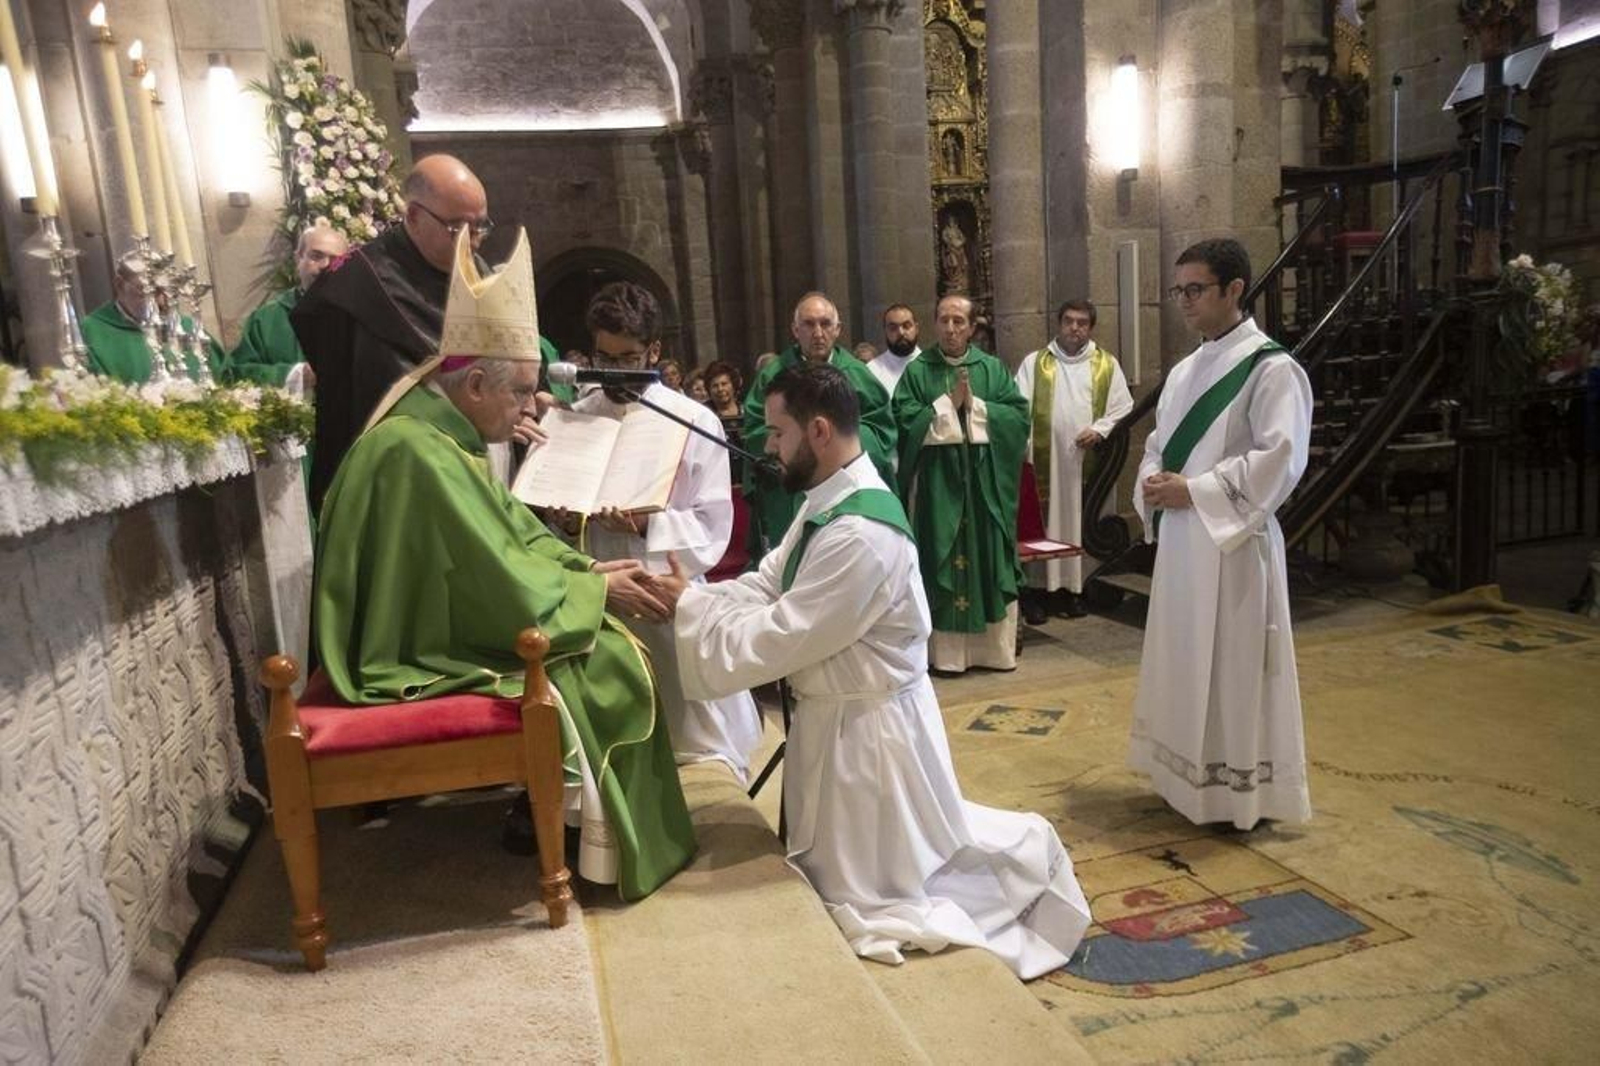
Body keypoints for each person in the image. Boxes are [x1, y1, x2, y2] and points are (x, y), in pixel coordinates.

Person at [650, 363, 1091, 979]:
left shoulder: (860, 531)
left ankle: (1023, 870)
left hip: (870, 736)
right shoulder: (826, 502)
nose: (770, 447)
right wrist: (697, 598)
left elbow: (785, 634)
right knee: (842, 877)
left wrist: (687, 608)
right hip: (840, 718)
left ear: (820, 431)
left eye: (778, 433)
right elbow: (768, 582)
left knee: (880, 893)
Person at [314, 227, 695, 897]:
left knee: (602, 645)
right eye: (521, 392)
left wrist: (585, 575)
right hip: (404, 643)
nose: (532, 407)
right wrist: (596, 596)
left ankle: (574, 821)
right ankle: (590, 840)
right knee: (605, 661)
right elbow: (492, 574)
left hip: (439, 612)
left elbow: (507, 535)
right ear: (477, 384)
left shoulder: (442, 433)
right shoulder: (417, 451)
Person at [1129, 237, 1313, 830]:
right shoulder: (1185, 371)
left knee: (1231, 668)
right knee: (1184, 658)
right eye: (1178, 289)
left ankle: (1235, 796)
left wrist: (1198, 491)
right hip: (1184, 543)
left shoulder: (1273, 368)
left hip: (1233, 548)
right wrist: (1154, 484)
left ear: (1234, 289)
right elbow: (1157, 447)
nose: (1183, 301)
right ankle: (1184, 781)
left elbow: (1280, 457)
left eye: (1195, 289)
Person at [564, 281, 762, 780]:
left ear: (655, 350)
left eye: (627, 357)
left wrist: (647, 522)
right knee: (616, 749)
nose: (611, 372)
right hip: (599, 594)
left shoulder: (694, 420)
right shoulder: (577, 414)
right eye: (601, 357)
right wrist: (565, 519)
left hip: (661, 592)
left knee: (691, 748)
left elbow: (713, 527)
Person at [291, 153, 548, 511]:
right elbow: (365, 394)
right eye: (458, 228)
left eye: (481, 227)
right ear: (413, 215)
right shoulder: (355, 284)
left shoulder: (477, 268)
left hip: (474, 462)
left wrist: (516, 405)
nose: (473, 242)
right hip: (400, 476)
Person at [892, 294, 1028, 675]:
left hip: (985, 486)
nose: (950, 329)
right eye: (944, 320)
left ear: (972, 327)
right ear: (935, 324)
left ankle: (993, 653)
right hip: (938, 487)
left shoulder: (992, 369)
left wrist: (977, 408)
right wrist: (947, 405)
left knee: (987, 556)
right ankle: (946, 655)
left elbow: (1018, 418)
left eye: (958, 321)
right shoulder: (919, 372)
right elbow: (902, 421)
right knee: (941, 556)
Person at [741, 292, 896, 559]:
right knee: (789, 562)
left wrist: (832, 443)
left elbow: (881, 430)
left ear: (838, 330)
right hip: (789, 489)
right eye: (809, 324)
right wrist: (792, 445)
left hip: (845, 487)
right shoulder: (774, 374)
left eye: (825, 324)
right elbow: (756, 429)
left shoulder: (857, 374)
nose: (818, 332)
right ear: (795, 330)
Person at [1013, 299, 1134, 622]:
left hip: (1084, 463)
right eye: (1069, 321)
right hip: (1044, 463)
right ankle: (1039, 590)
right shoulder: (1036, 363)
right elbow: (1016, 406)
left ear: (1090, 327)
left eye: (1082, 322)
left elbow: (1123, 407)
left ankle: (1075, 590)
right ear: (1059, 323)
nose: (1075, 328)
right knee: (1044, 524)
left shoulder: (1105, 364)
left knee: (1079, 525)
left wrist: (1099, 429)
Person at [226, 223, 349, 391]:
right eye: (316, 256)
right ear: (298, 258)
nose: (325, 265)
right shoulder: (266, 319)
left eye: (335, 260)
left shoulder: (361, 316)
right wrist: (294, 375)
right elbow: (236, 374)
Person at [81, 254, 222, 383]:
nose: (160, 301)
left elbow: (224, 380)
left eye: (164, 291)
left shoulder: (188, 327)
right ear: (119, 285)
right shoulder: (92, 331)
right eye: (148, 291)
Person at [868, 303, 921, 397]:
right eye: (893, 328)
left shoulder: (933, 367)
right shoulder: (872, 370)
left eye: (906, 326)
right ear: (885, 331)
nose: (900, 332)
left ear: (916, 328)